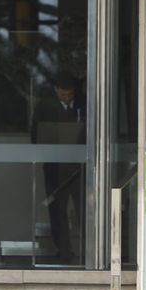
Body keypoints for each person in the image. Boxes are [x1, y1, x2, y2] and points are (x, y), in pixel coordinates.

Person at [31, 76, 85, 264]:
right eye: (63, 94)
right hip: (55, 166)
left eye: (70, 94)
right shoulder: (44, 108)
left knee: (83, 210)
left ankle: (88, 252)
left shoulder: (84, 104)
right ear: (56, 90)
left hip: (79, 168)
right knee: (57, 210)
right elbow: (36, 135)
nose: (67, 97)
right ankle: (64, 252)